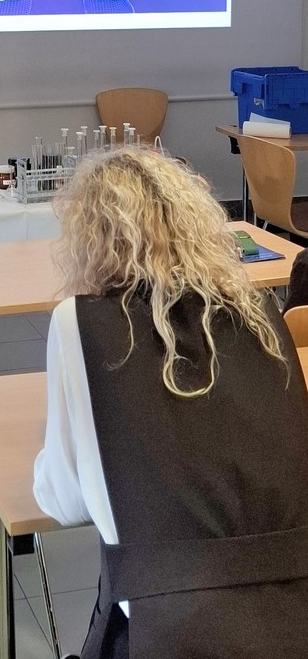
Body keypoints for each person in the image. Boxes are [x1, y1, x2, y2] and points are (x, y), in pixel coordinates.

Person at [33, 147, 308, 659]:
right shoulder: (261, 313)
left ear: (91, 238)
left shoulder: (81, 323)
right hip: (292, 613)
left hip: (171, 629)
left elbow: (63, 503)